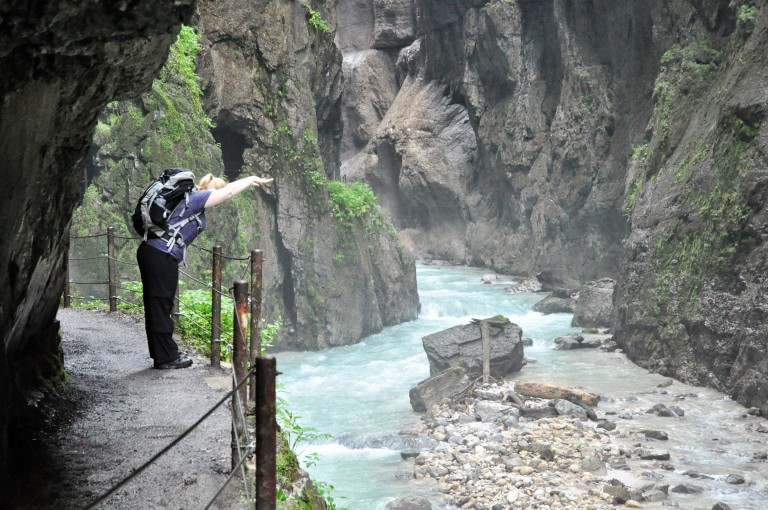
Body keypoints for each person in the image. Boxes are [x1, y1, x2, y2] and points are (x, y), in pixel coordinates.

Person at [136, 172, 273, 369]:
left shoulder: (189, 200)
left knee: (158, 305)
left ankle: (165, 353)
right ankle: (166, 358)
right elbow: (228, 192)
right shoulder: (196, 198)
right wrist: (251, 179)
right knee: (160, 305)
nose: (218, 201)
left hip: (154, 252)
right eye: (218, 193)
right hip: (160, 255)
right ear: (213, 190)